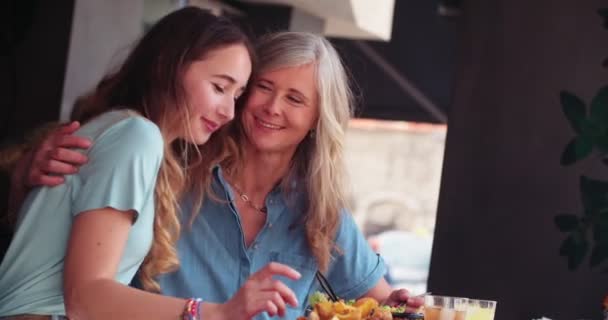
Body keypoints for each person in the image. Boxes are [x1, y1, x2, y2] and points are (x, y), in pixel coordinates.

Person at [9, 32, 423, 319]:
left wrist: (403, 306)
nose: (272, 107)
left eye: (295, 98)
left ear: (318, 119)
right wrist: (27, 170)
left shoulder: (319, 211)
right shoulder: (173, 166)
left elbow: (385, 305)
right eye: (262, 87)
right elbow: (62, 212)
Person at [0, 6, 253, 320]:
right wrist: (211, 313)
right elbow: (86, 298)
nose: (229, 112)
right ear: (167, 66)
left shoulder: (125, 133)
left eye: (237, 95)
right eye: (219, 87)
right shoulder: (136, 136)